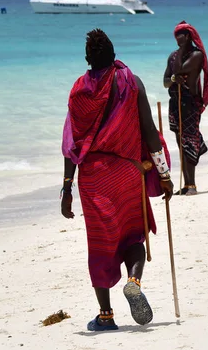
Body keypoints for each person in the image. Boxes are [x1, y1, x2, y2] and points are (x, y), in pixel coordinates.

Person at [61, 29, 173, 332]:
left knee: (101, 244)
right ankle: (133, 282)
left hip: (94, 178)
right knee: (133, 234)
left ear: (87, 59)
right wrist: (163, 175)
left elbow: (72, 143)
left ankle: (106, 315)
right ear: (114, 55)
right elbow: (150, 132)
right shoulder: (131, 82)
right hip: (126, 172)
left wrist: (66, 188)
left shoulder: (78, 91)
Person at [163, 20, 208, 196]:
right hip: (175, 103)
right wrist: (174, 80)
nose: (177, 38)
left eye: (181, 34)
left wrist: (182, 53)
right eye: (176, 35)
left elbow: (180, 70)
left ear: (189, 36)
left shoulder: (197, 55)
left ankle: (192, 185)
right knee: (180, 143)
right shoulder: (172, 56)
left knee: (189, 141)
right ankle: (186, 185)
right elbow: (166, 81)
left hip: (190, 103)